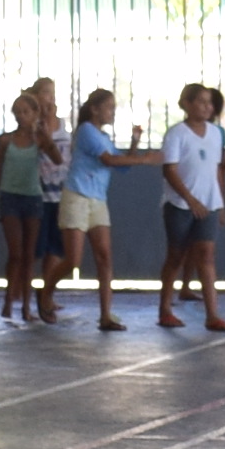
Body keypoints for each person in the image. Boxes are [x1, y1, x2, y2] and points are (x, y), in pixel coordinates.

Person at [157, 83, 225, 332]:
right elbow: (170, 170)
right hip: (180, 205)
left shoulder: (215, 133)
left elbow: (216, 169)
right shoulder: (176, 134)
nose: (206, 106)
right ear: (186, 104)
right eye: (200, 101)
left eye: (209, 102)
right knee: (176, 255)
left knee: (206, 256)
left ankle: (212, 314)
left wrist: (219, 202)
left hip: (208, 204)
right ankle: (165, 309)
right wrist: (190, 199)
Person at [63, 87, 137, 330]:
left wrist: (134, 146)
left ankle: (105, 314)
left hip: (97, 200)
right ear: (94, 109)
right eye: (109, 107)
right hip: (78, 196)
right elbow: (109, 160)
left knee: (104, 257)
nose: (112, 112)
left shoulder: (104, 138)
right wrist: (146, 159)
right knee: (73, 260)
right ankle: (47, 291)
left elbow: (122, 165)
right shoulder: (86, 131)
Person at [0, 89, 58, 325]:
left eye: (25, 112)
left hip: (33, 198)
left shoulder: (39, 139)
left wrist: (44, 135)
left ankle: (27, 306)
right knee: (16, 253)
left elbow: (57, 159)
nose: (21, 116)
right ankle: (9, 300)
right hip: (10, 198)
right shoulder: (5, 140)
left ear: (34, 113)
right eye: (17, 112)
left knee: (30, 256)